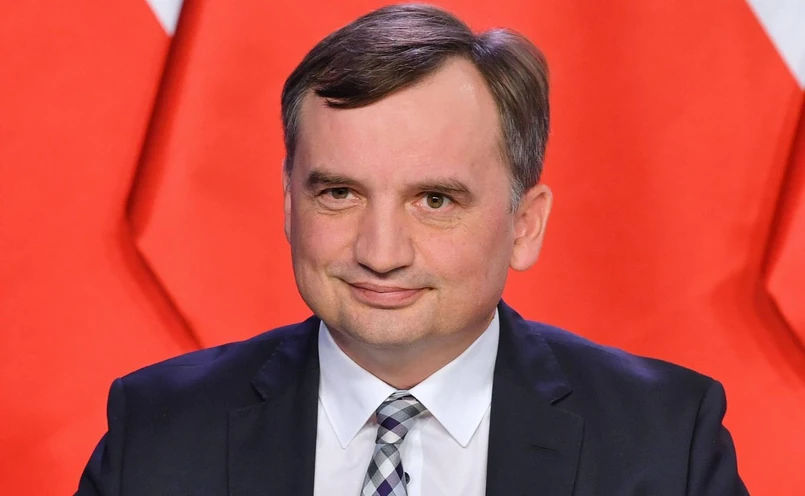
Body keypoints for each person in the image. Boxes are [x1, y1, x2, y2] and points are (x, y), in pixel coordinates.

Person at [77, 4, 748, 495]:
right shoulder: (159, 431)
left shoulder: (666, 444)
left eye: (434, 200)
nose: (380, 251)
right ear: (288, 203)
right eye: (339, 193)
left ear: (524, 225)